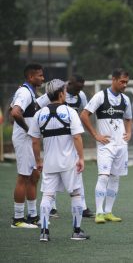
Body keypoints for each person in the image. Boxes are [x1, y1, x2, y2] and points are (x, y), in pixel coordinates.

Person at [29, 79, 90, 241]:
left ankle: (44, 232)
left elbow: (34, 141)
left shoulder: (39, 114)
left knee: (47, 196)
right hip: (69, 161)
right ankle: (77, 231)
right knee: (76, 193)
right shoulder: (70, 112)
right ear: (62, 93)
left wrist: (38, 161)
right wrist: (81, 158)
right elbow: (77, 137)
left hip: (49, 162)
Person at [36, 74, 94, 218]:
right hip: (54, 137)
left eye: (81, 88)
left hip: (70, 137)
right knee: (54, 172)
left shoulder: (81, 96)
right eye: (76, 88)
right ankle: (53, 208)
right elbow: (36, 106)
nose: (78, 91)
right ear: (69, 85)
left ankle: (83, 207)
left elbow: (84, 113)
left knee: (74, 172)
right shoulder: (55, 92)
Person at [80, 68, 132, 223]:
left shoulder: (125, 99)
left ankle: (109, 212)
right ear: (114, 80)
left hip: (121, 146)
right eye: (122, 82)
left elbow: (128, 118)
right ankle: (99, 212)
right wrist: (96, 135)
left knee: (115, 178)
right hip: (105, 146)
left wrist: (128, 133)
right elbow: (84, 115)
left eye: (126, 82)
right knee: (103, 177)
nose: (124, 85)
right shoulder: (100, 96)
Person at [10, 63, 44, 228]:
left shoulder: (30, 92)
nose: (42, 78)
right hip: (24, 139)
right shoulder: (24, 92)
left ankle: (32, 216)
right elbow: (15, 112)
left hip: (27, 139)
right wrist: (28, 130)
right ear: (31, 77)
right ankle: (17, 220)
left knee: (34, 175)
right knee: (23, 176)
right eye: (40, 75)